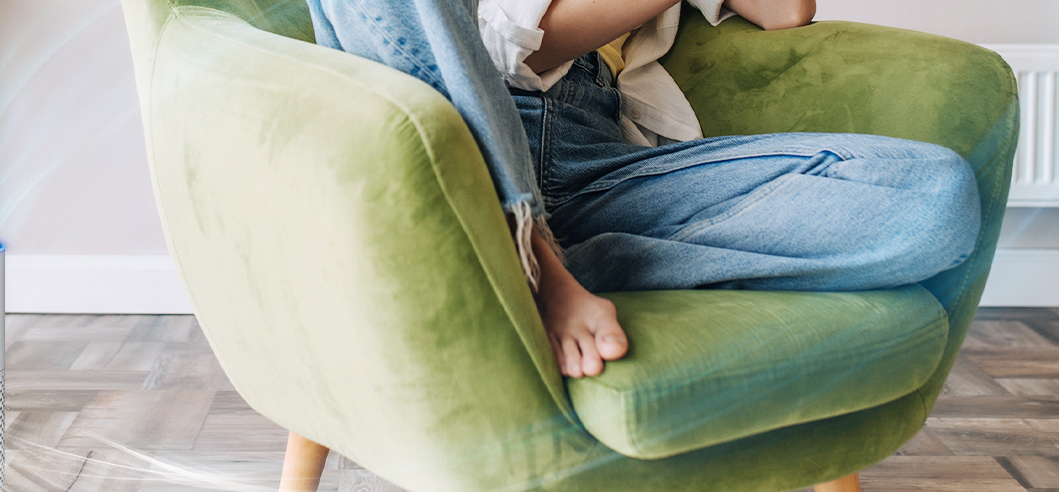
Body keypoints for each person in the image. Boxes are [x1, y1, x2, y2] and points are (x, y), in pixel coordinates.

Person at [306, 0, 980, 379]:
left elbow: (785, 10)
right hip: (471, 131)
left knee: (935, 197)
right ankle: (534, 260)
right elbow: (509, 50)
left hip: (605, 163)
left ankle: (555, 259)